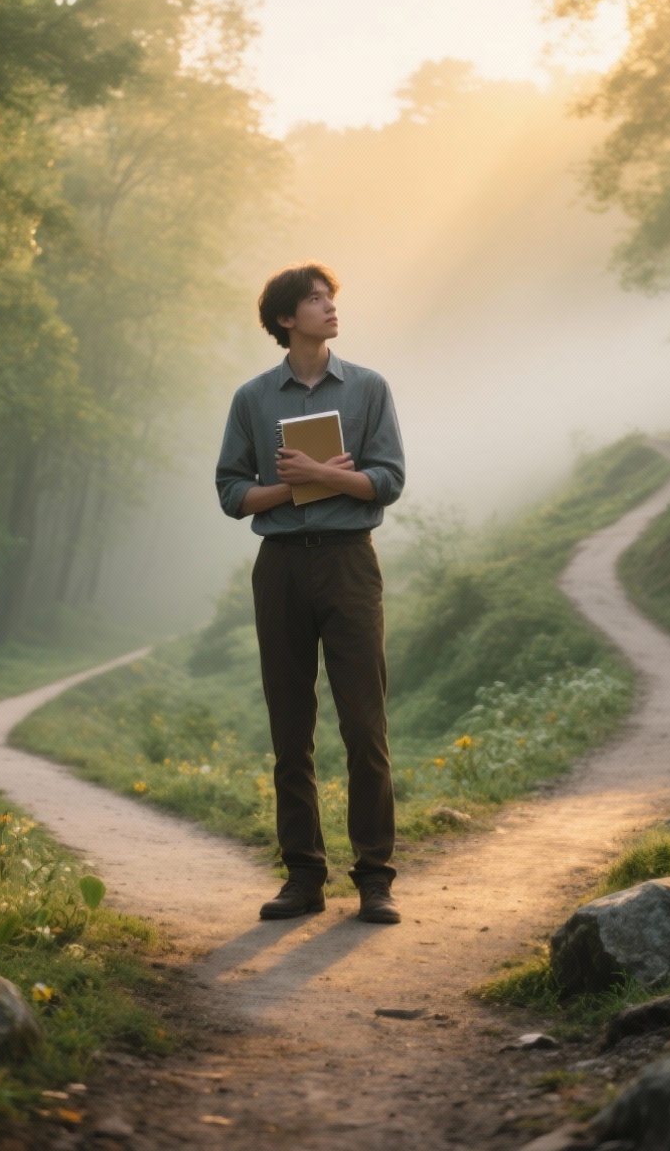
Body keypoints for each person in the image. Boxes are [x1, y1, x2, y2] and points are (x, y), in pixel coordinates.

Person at [215, 262, 406, 925]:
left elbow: (389, 479)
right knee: (290, 729)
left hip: (351, 562)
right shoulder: (252, 399)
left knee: (364, 725)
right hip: (281, 568)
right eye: (316, 301)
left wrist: (324, 474)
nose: (331, 309)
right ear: (285, 319)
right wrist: (296, 488)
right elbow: (232, 493)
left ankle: (375, 878)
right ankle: (303, 877)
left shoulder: (369, 389)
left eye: (332, 299)